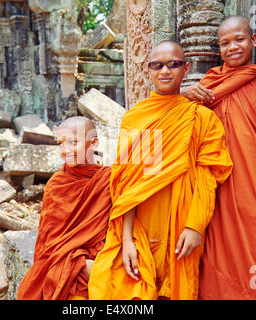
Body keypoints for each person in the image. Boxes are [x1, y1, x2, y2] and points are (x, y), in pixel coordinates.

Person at [88, 41, 233, 300]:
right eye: (157, 65)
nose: (165, 71)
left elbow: (207, 177)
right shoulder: (138, 118)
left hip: (183, 222)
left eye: (173, 64)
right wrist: (127, 239)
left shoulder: (202, 118)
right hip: (144, 224)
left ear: (186, 69)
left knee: (178, 288)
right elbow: (129, 186)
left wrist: (195, 226)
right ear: (148, 70)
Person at [181, 16, 256, 300]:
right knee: (218, 255)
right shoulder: (208, 85)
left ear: (253, 40)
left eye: (239, 39)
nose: (232, 47)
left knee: (255, 250)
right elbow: (184, 130)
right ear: (219, 49)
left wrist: (253, 158)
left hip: (255, 187)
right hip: (214, 189)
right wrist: (184, 96)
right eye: (225, 43)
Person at [16, 116, 112, 300]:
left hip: (102, 257)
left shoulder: (109, 179)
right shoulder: (57, 184)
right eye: (60, 143)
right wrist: (80, 263)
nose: (65, 150)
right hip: (66, 264)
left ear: (94, 143)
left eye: (73, 142)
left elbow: (117, 224)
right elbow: (49, 243)